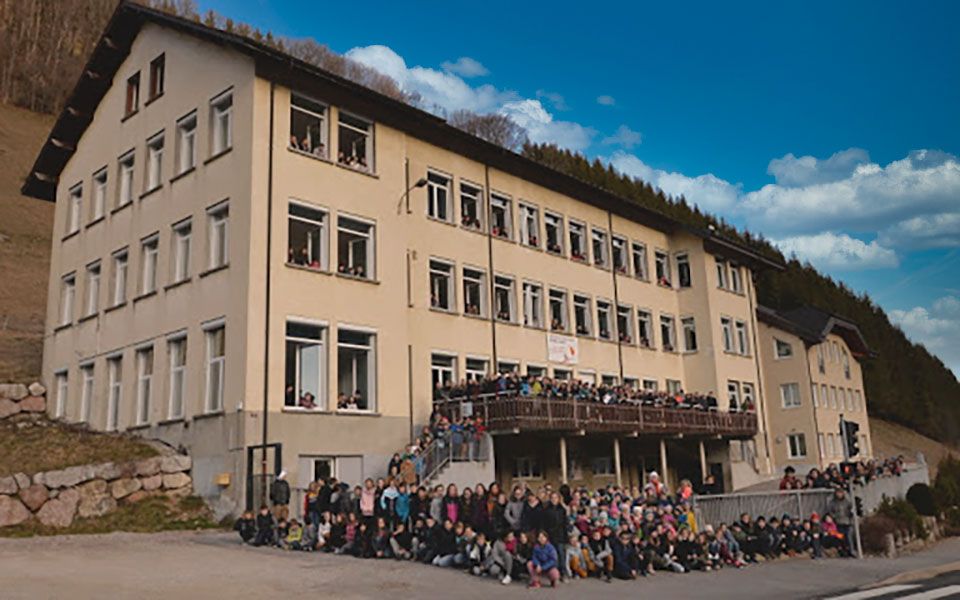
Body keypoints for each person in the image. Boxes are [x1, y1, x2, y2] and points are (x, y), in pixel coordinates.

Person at [827, 488, 856, 557]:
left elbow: (851, 509)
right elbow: (830, 511)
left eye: (841, 493)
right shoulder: (833, 502)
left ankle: (851, 551)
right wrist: (834, 517)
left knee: (849, 537)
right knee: (840, 538)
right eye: (838, 493)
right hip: (838, 523)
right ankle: (843, 551)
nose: (839, 494)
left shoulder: (847, 501)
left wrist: (850, 514)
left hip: (847, 522)